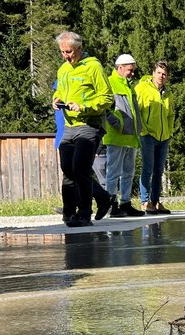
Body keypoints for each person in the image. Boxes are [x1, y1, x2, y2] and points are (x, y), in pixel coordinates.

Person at [52, 31, 113, 227]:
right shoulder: (63, 69)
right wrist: (57, 99)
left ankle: (84, 213)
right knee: (67, 169)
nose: (66, 56)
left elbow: (106, 97)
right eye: (62, 52)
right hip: (69, 126)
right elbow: (61, 89)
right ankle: (70, 211)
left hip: (89, 124)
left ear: (79, 48)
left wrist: (84, 107)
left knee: (80, 168)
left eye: (69, 51)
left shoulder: (93, 66)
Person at [103, 54, 144, 217]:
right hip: (116, 136)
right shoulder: (109, 83)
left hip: (131, 137)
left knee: (129, 172)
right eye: (129, 70)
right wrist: (118, 124)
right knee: (113, 172)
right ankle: (111, 205)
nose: (132, 73)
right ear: (120, 68)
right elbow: (106, 109)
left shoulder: (129, 86)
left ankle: (125, 203)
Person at [135, 61, 174, 214]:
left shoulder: (168, 93)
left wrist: (169, 132)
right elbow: (137, 112)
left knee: (159, 170)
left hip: (164, 137)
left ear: (167, 77)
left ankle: (156, 201)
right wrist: (144, 130)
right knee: (147, 168)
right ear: (153, 73)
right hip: (147, 135)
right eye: (158, 72)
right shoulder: (142, 88)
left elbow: (171, 114)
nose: (161, 76)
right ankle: (145, 202)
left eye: (164, 74)